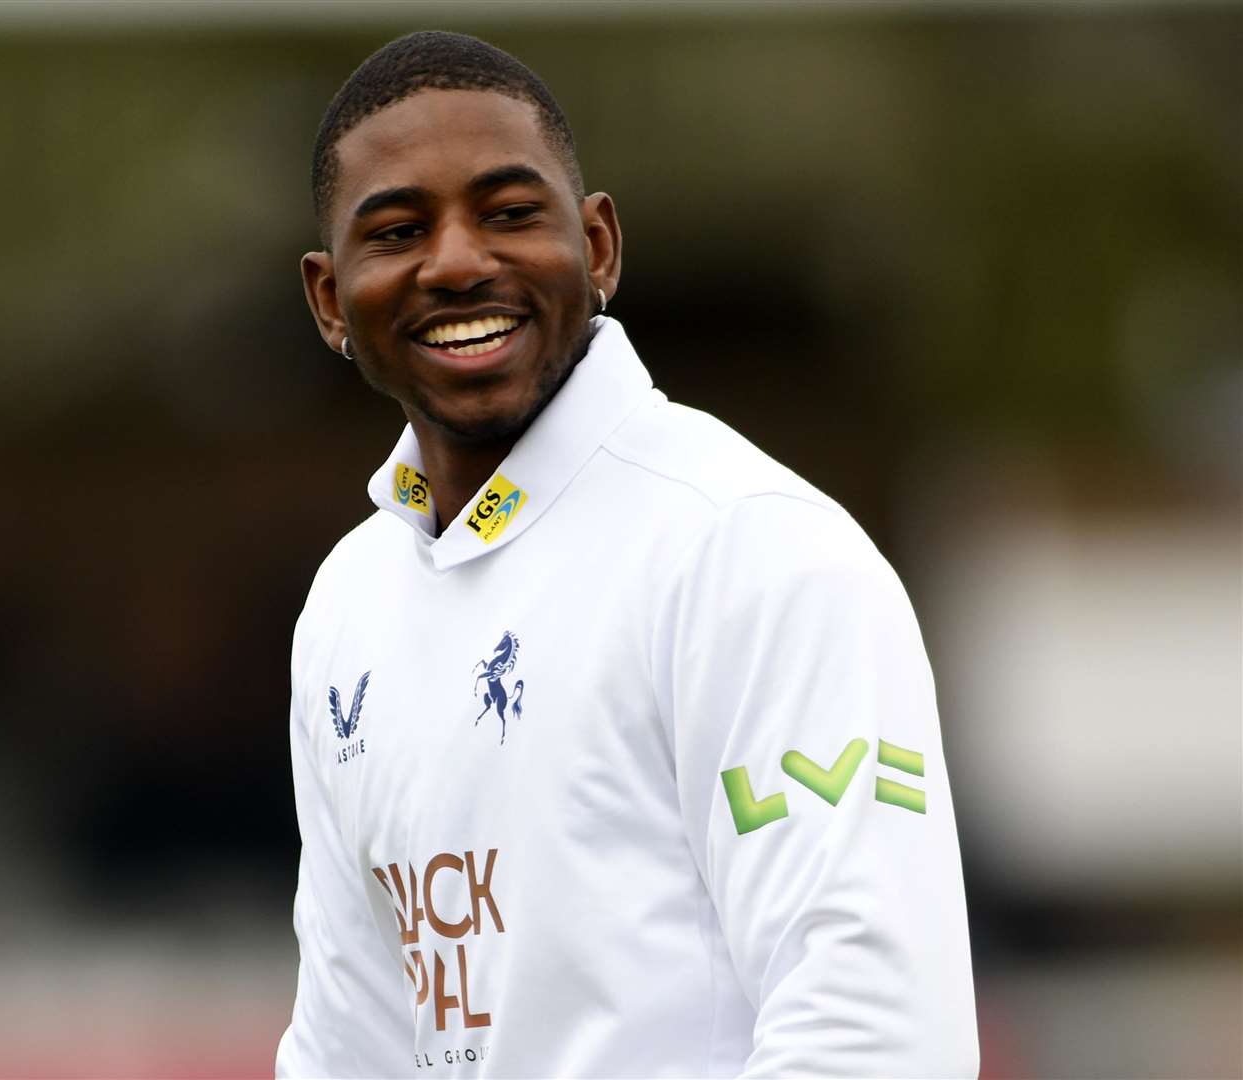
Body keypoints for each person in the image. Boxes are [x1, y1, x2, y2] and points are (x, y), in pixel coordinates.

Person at [276, 30, 978, 1079]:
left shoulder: (748, 548)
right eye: (398, 230)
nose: (460, 261)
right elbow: (350, 1048)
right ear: (331, 300)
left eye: (511, 214)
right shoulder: (349, 603)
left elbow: (874, 1037)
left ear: (598, 246)